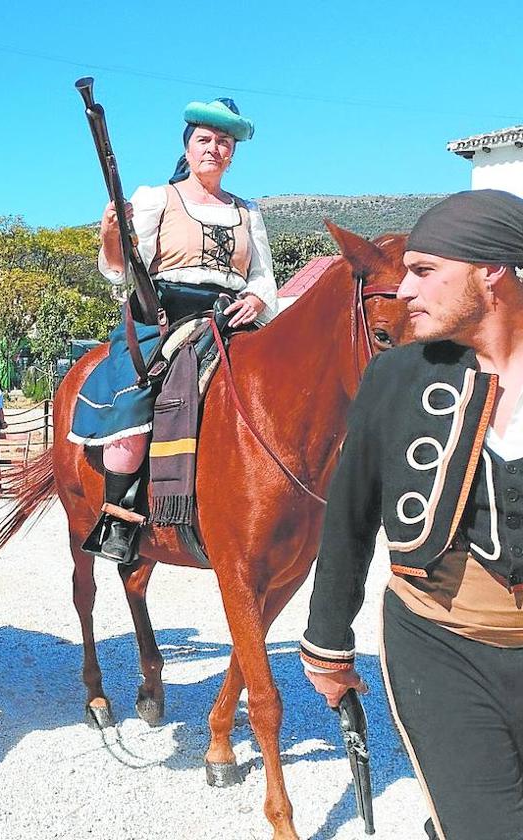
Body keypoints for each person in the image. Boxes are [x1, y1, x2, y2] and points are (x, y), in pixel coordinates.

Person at [300, 190, 523, 840]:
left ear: (492, 272)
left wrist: (256, 294)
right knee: (134, 420)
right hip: (441, 641)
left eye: (426, 272)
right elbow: (350, 513)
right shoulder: (394, 377)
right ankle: (129, 513)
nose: (403, 291)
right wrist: (327, 642)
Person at [74, 97, 276, 565]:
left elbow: (263, 275)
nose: (214, 149)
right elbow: (122, 269)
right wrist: (110, 233)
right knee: (134, 401)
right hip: (166, 317)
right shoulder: (156, 199)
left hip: (231, 317)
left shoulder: (249, 212)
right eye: (205, 140)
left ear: (233, 153)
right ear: (188, 149)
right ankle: (119, 515)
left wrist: (259, 298)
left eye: (223, 142)